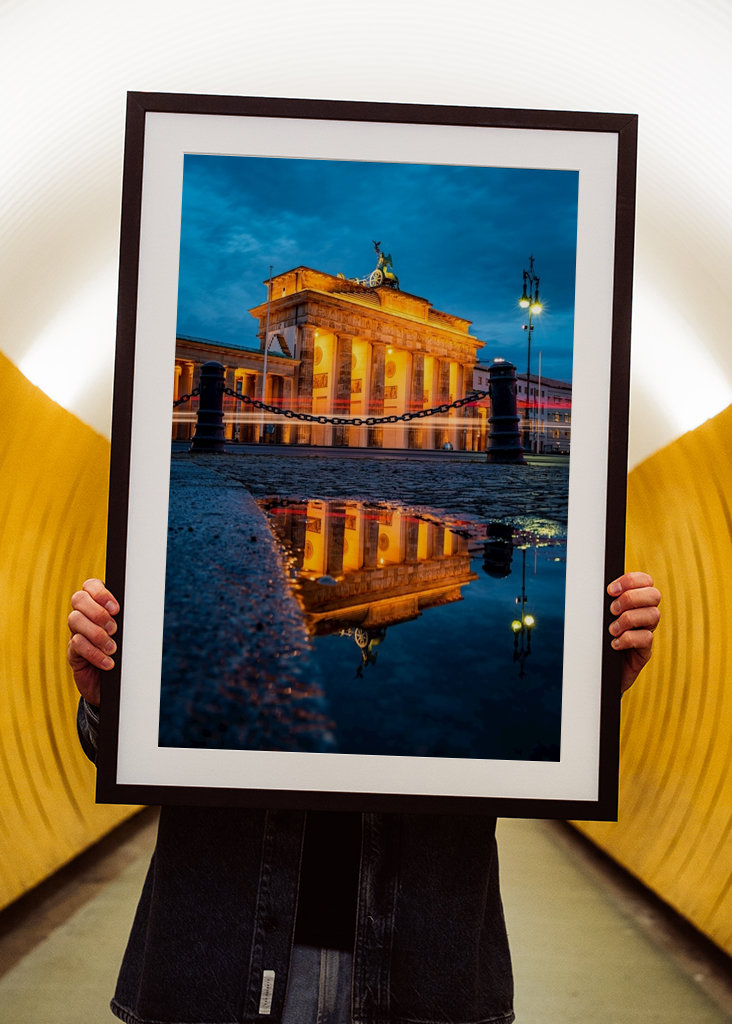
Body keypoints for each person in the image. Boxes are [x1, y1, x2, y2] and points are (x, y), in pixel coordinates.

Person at [68, 572, 661, 1024]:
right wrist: (110, 701)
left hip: (421, 967)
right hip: (220, 959)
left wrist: (584, 693)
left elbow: (515, 735)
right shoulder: (216, 597)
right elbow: (138, 746)